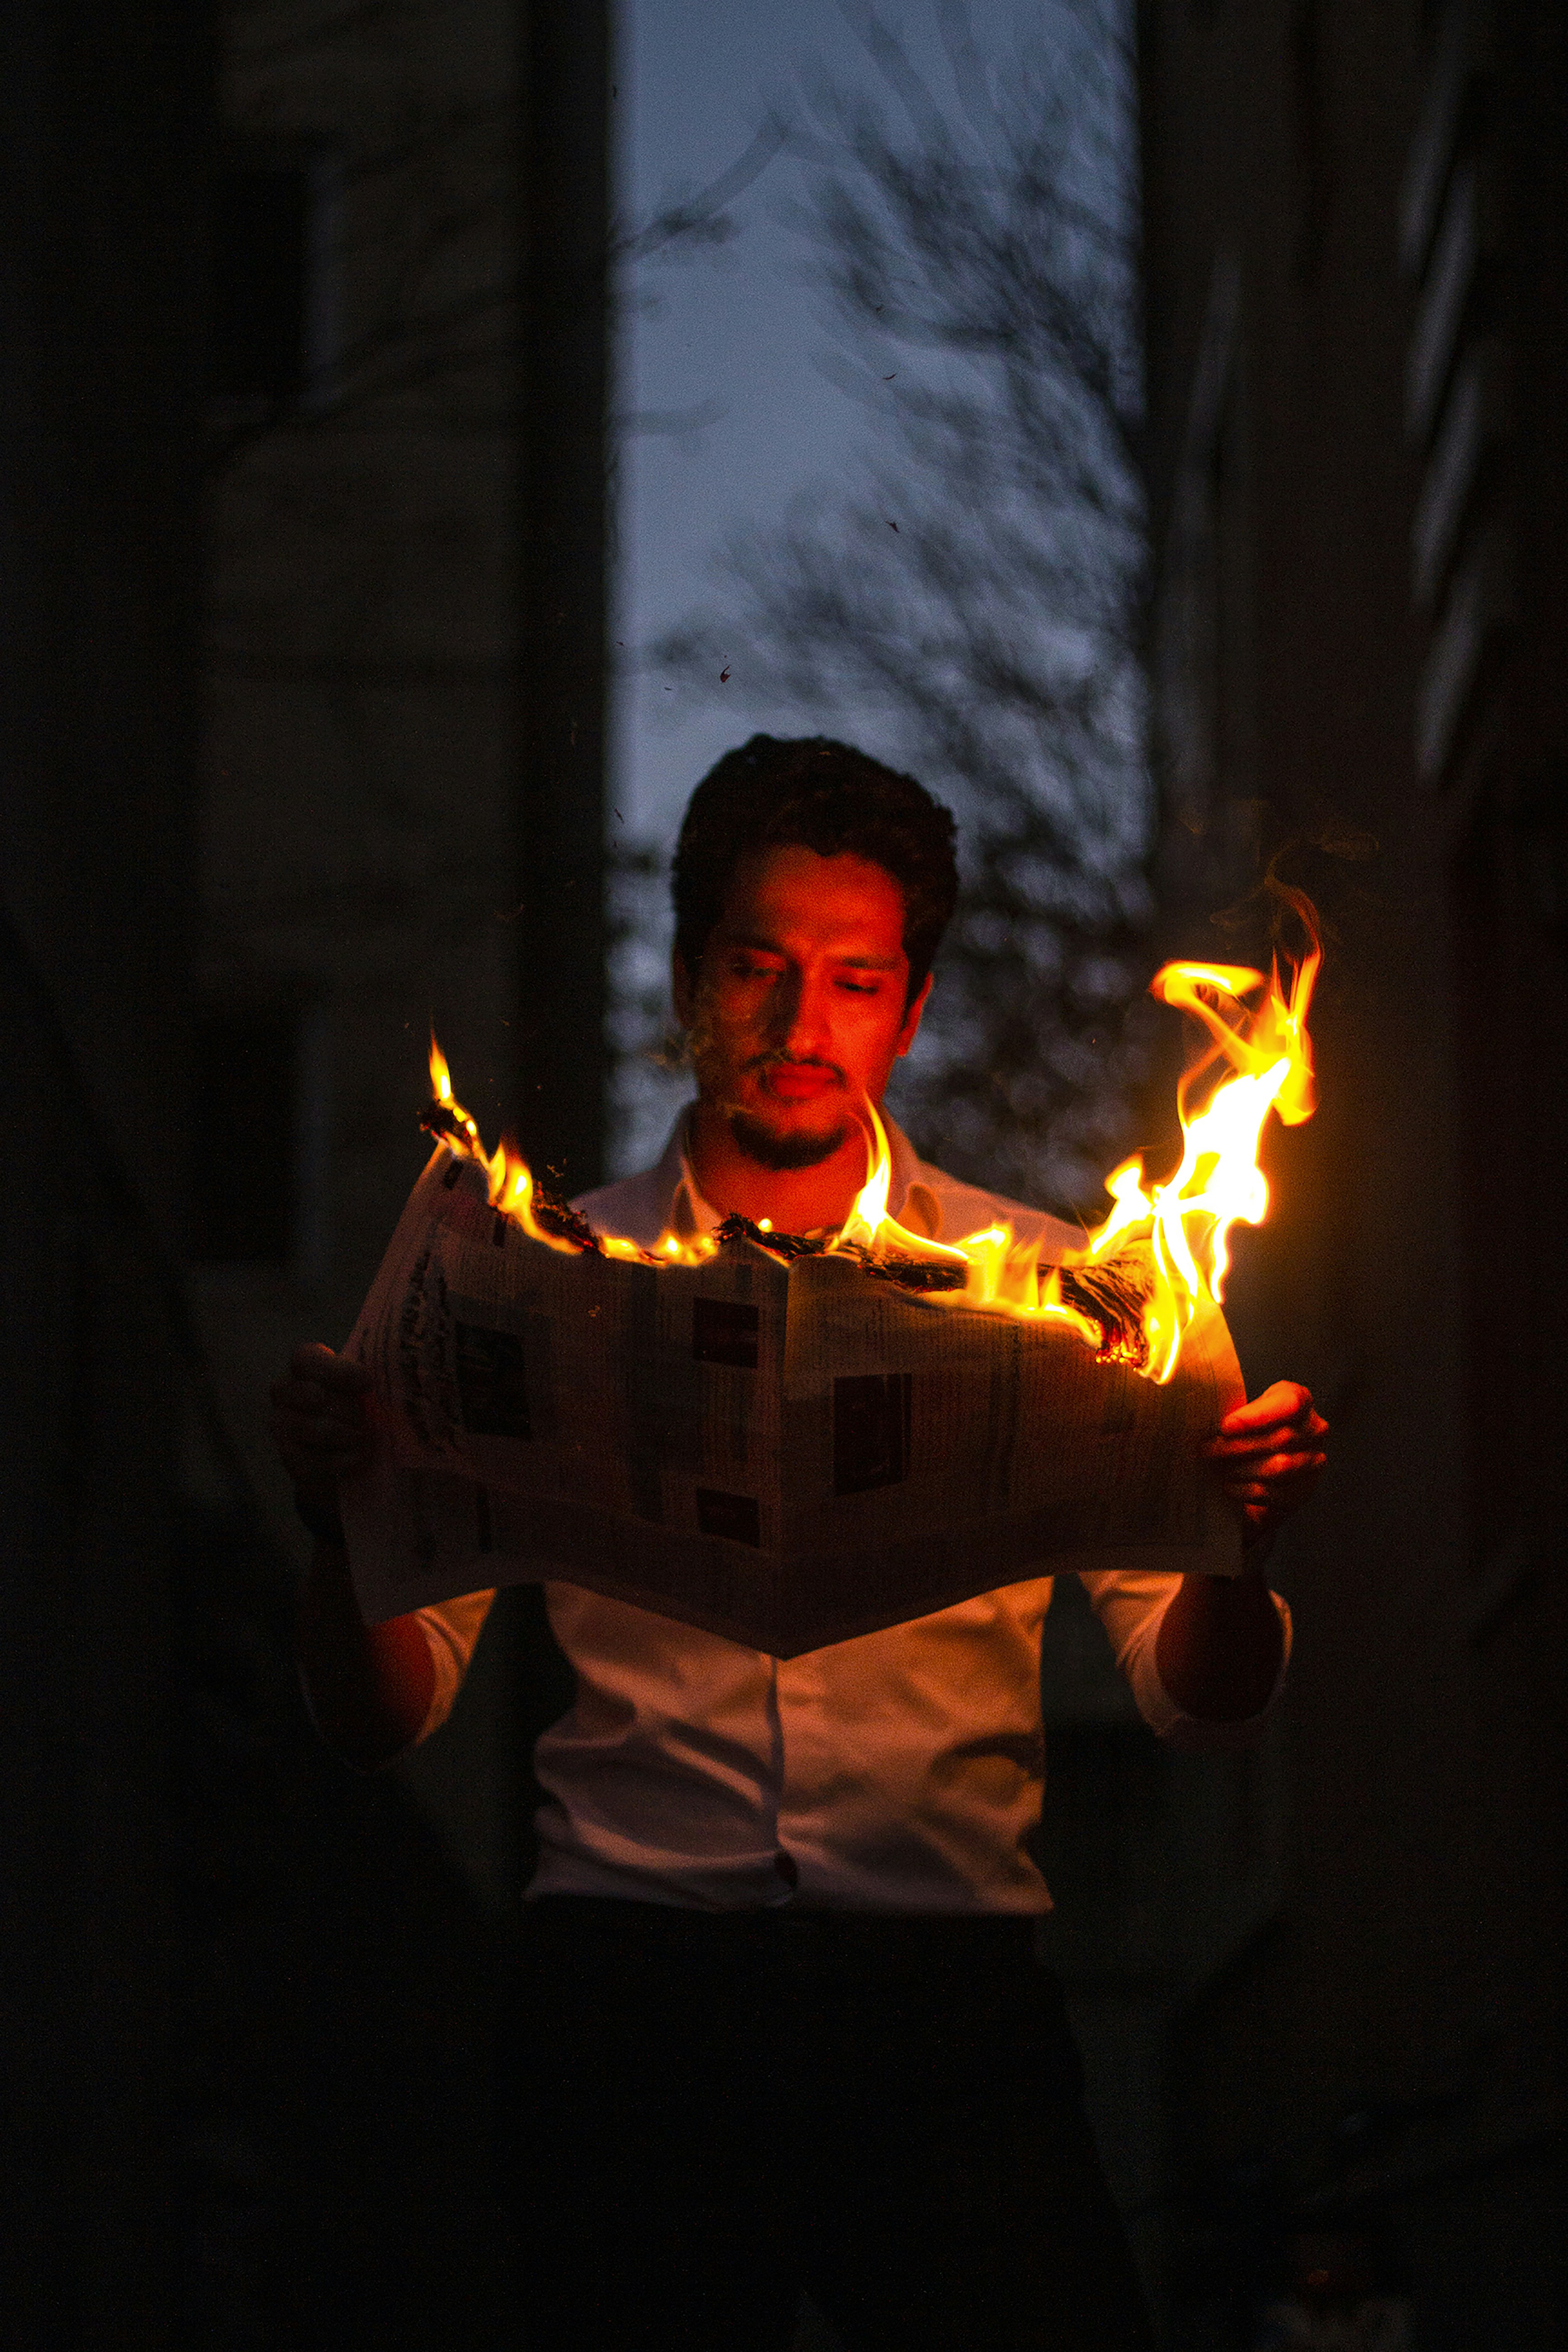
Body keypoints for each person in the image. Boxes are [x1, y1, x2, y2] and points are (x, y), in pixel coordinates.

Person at [271, 736, 1328, 2352]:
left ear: (908, 1010)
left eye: (853, 979)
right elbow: (383, 1716)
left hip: (949, 2007)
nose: (798, 1025)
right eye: (758, 968)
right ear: (693, 981)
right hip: (630, 2004)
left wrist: (1240, 1542)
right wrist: (337, 1530)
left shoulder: (1065, 1296)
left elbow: (1208, 1702)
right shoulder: (549, 1276)